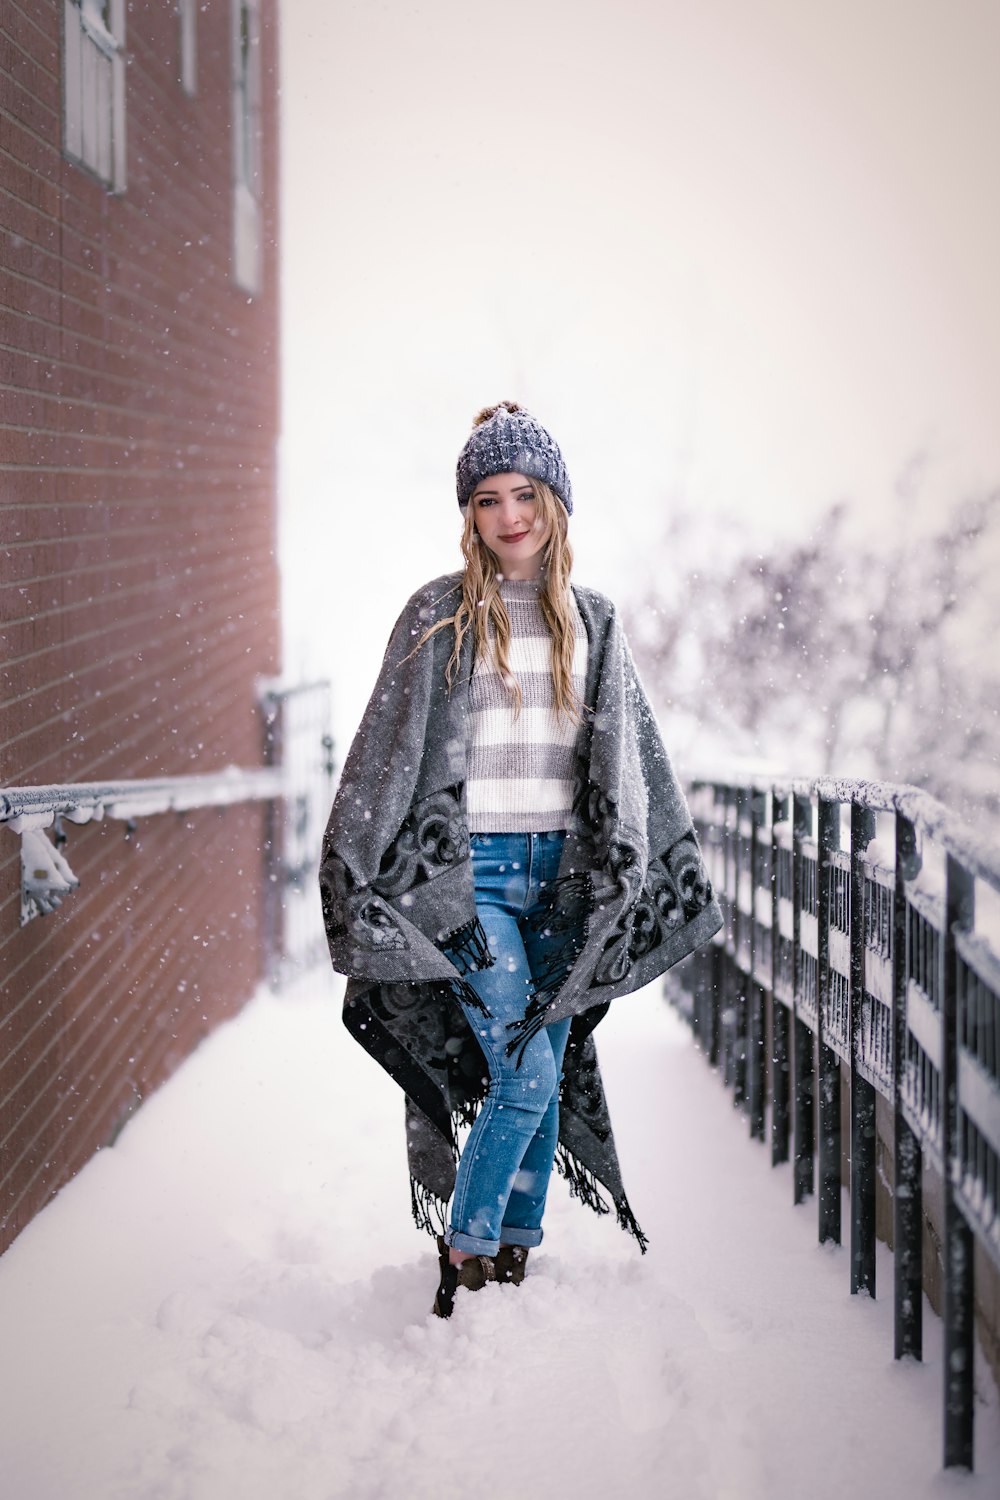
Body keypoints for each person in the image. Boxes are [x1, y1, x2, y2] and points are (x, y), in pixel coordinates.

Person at [319, 402, 722, 1317]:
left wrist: (637, 870)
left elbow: (632, 765)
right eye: (489, 499)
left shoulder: (595, 624)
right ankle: (465, 1251)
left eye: (525, 494)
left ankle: (514, 1256)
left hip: (565, 882)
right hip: (469, 882)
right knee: (529, 1072)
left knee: (540, 1051)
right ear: (469, 515)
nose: (510, 517)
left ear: (555, 503)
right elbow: (386, 754)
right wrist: (361, 872)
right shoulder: (437, 615)